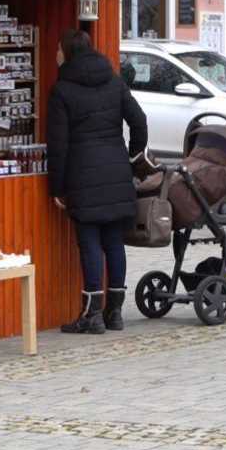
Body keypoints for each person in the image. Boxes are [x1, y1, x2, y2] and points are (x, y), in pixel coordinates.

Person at [48, 29, 148, 334]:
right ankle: (114, 313)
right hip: (117, 173)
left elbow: (59, 145)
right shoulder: (114, 81)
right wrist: (132, 159)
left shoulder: (62, 90)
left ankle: (91, 314)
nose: (55, 55)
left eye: (58, 50)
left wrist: (58, 187)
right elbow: (139, 121)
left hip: (83, 176)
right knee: (114, 242)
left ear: (67, 53)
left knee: (90, 243)